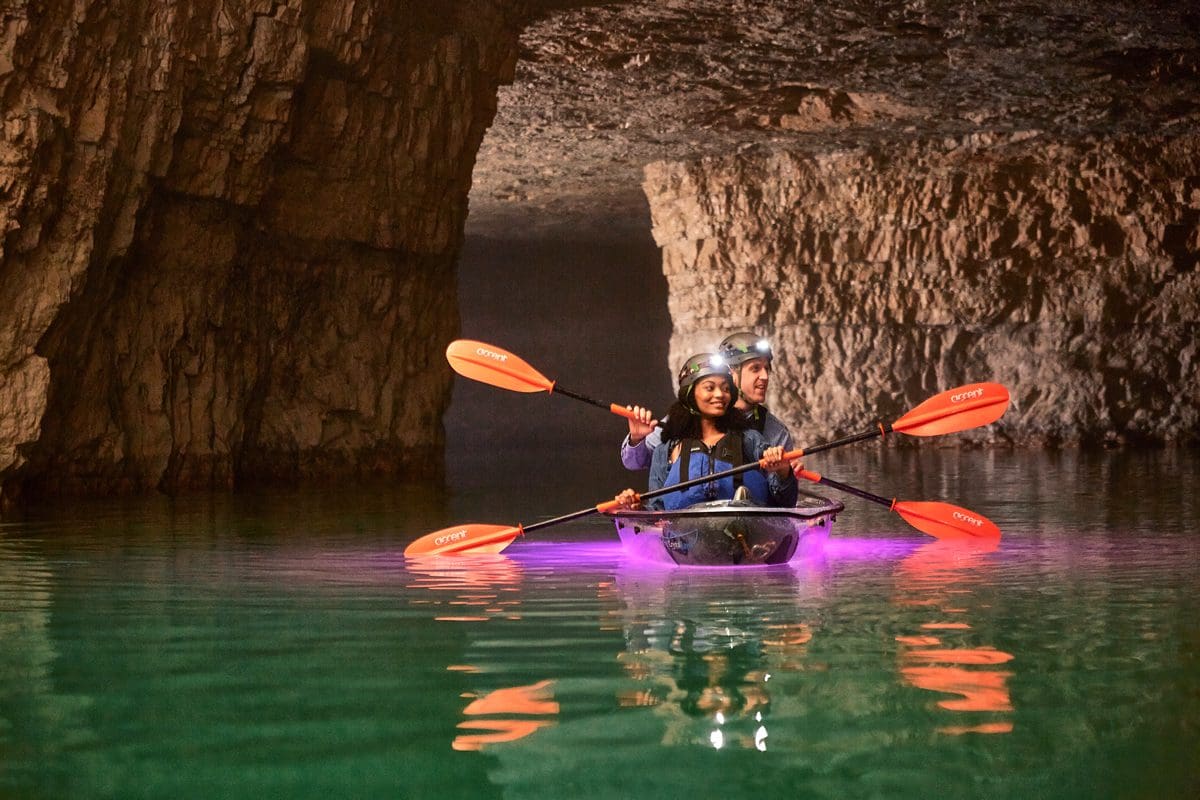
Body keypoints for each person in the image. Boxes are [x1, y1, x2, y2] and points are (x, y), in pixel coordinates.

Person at [613, 353, 798, 511]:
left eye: (726, 388)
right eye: (710, 388)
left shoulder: (750, 439)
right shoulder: (666, 449)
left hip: (747, 531)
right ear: (690, 394)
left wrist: (783, 471)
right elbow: (656, 511)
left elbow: (785, 503)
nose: (720, 394)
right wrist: (635, 506)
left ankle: (742, 504)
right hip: (686, 535)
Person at [619, 331, 793, 470]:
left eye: (766, 369)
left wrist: (785, 473)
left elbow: (782, 491)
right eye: (755, 368)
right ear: (731, 374)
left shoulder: (775, 432)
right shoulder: (685, 418)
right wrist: (637, 439)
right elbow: (634, 463)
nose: (765, 376)